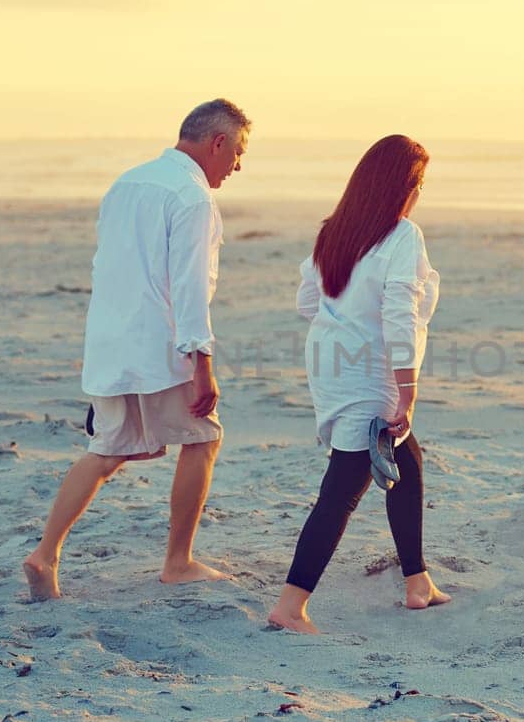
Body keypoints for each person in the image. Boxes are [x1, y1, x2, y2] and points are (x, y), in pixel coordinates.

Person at [22, 99, 250, 601]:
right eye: (237, 153)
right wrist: (202, 362)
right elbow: (189, 286)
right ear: (218, 143)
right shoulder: (193, 198)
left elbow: (108, 267)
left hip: (109, 340)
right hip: (157, 344)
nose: (237, 166)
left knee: (105, 451)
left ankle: (45, 554)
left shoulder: (126, 183)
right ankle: (178, 562)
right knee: (204, 437)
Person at [267, 134, 449, 634]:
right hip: (370, 370)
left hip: (329, 362)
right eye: (419, 184)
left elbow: (309, 302)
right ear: (402, 186)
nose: (420, 195)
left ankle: (417, 583)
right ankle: (290, 605)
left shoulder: (336, 230)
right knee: (345, 485)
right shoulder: (401, 235)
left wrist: (345, 317)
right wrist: (407, 388)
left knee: (405, 458)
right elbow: (399, 314)